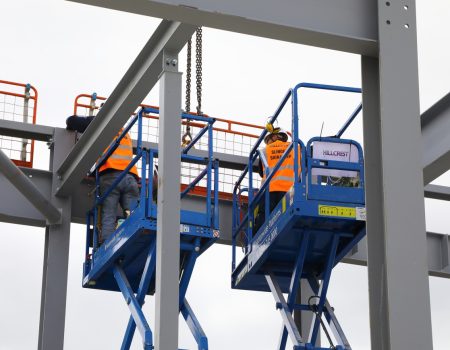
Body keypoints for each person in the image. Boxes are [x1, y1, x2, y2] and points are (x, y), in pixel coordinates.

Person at [66, 115, 139, 244]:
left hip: (110, 176)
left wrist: (72, 125)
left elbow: (72, 121)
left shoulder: (102, 125)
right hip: (130, 177)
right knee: (133, 214)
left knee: (108, 214)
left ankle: (107, 244)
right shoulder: (124, 130)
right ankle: (135, 239)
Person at [254, 125, 300, 233]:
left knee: (263, 219)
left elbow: (261, 172)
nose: (268, 142)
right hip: (291, 191)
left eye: (269, 139)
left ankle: (254, 238)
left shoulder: (265, 151)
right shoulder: (295, 148)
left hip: (270, 190)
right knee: (286, 218)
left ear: (274, 137)